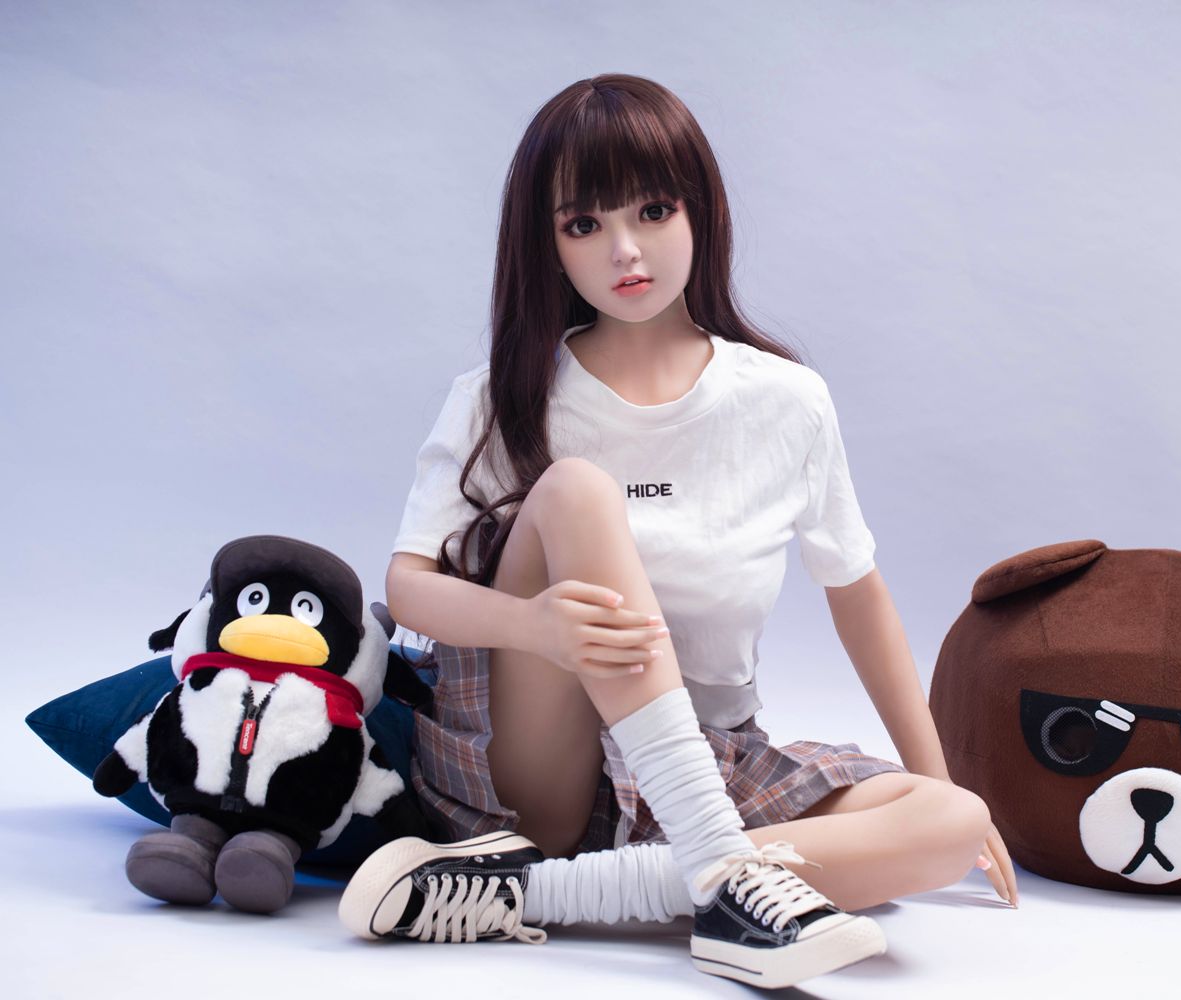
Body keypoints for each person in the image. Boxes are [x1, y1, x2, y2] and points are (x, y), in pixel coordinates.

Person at [338, 73, 1018, 989]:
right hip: (537, 764)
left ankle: (548, 891)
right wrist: (533, 626)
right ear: (549, 246)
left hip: (707, 757)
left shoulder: (785, 402)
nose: (626, 251)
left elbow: (858, 596)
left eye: (653, 211)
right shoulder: (505, 395)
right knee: (578, 492)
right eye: (585, 225)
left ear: (701, 210)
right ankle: (718, 870)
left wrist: (942, 786)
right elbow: (409, 585)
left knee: (947, 822)